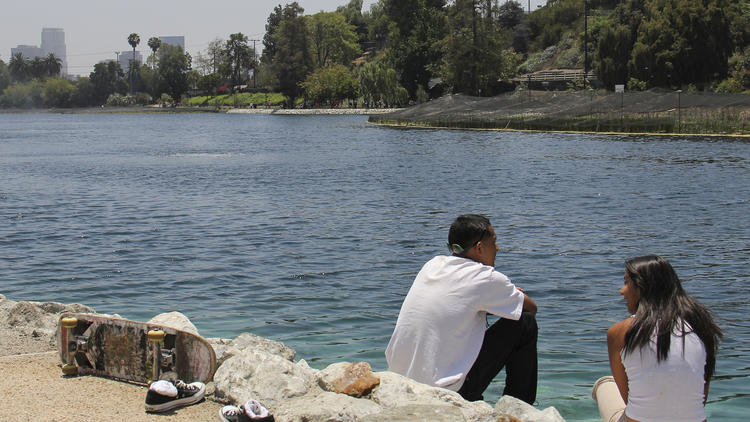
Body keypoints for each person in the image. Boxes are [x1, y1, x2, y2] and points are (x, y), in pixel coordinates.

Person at [385, 214, 538, 403]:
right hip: (444, 393)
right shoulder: (485, 277)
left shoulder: (432, 265)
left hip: (400, 381)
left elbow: (455, 305)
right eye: (494, 242)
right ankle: (519, 405)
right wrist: (509, 293)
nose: (498, 248)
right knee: (525, 323)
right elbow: (531, 308)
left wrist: (492, 302)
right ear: (479, 248)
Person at [592, 255, 722, 422]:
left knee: (605, 387)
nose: (622, 291)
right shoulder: (702, 326)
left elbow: (629, 400)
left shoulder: (621, 332)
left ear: (641, 287)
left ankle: (603, 383)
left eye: (626, 282)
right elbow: (701, 397)